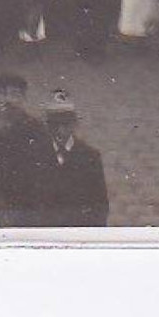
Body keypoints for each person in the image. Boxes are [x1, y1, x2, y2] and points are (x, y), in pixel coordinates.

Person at [0, 72, 50, 227]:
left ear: (23, 98)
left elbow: (38, 169)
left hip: (24, 201)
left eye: (14, 95)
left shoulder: (34, 127)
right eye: (3, 94)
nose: (8, 100)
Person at [34, 89, 109, 227]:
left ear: (74, 124)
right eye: (55, 124)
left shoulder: (90, 157)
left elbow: (100, 205)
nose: (60, 130)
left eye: (65, 124)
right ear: (47, 125)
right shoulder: (36, 156)